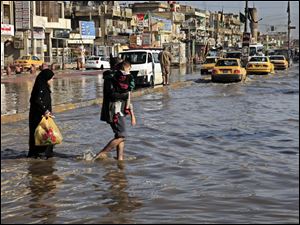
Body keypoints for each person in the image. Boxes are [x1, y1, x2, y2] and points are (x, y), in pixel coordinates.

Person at [94, 57, 136, 161]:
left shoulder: (119, 77)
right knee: (122, 135)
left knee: (119, 135)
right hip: (113, 110)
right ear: (116, 66)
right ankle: (101, 153)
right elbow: (112, 95)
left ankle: (120, 158)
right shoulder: (110, 78)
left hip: (119, 109)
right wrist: (125, 95)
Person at [28, 69, 55, 159]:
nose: (52, 80)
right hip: (38, 116)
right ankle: (40, 155)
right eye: (51, 79)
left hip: (42, 115)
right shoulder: (41, 87)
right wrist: (45, 111)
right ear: (46, 79)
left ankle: (44, 154)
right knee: (41, 134)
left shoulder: (43, 87)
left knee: (45, 135)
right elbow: (37, 100)